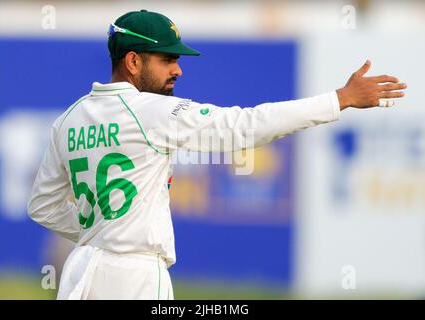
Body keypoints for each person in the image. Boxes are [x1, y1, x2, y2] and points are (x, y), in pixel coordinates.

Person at [27, 9, 407, 300]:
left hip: (80, 275)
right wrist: (339, 99)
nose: (177, 70)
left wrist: (100, 233)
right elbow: (243, 126)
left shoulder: (69, 119)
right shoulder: (150, 111)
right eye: (167, 59)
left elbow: (42, 206)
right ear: (133, 61)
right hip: (135, 277)